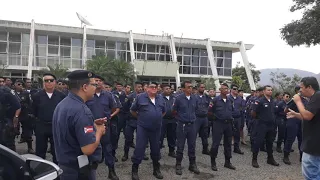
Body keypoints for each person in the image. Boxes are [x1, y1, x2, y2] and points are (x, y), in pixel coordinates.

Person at [52, 70, 106, 180]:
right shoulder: (81, 110)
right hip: (79, 170)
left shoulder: (63, 104)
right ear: (85, 87)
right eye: (94, 84)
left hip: (65, 166)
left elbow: (71, 128)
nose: (95, 87)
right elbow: (88, 149)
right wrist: (99, 131)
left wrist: (92, 124)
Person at [86, 76, 120, 180]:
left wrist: (108, 116)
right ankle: (88, 171)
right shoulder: (88, 94)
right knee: (88, 147)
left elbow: (114, 108)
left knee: (108, 148)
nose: (98, 82)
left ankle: (111, 170)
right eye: (96, 81)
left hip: (104, 126)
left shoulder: (108, 95)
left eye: (100, 81)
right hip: (89, 126)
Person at [286, 77, 320, 179]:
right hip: (314, 144)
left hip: (313, 146)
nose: (300, 90)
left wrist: (298, 101)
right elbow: (310, 116)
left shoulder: (317, 96)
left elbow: (307, 116)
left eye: (301, 87)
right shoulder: (315, 98)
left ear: (309, 87)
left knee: (311, 175)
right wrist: (296, 114)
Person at [130, 82, 165, 180]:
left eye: (155, 87)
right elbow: (132, 110)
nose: (154, 88)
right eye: (152, 87)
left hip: (156, 128)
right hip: (143, 128)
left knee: (156, 149)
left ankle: (156, 169)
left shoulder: (160, 98)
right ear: (147, 89)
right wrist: (141, 118)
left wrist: (156, 118)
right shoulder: (140, 97)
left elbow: (164, 111)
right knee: (139, 149)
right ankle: (134, 170)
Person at [32, 73, 66, 164]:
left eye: (51, 80)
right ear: (43, 83)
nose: (49, 83)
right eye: (46, 81)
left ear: (55, 82)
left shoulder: (61, 96)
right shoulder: (37, 96)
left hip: (55, 126)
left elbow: (64, 112)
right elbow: (33, 112)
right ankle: (40, 171)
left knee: (56, 151)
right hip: (41, 126)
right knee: (40, 150)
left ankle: (57, 172)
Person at [172, 81, 200, 175]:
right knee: (180, 146)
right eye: (188, 87)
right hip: (182, 125)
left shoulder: (194, 98)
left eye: (191, 87)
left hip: (192, 125)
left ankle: (192, 164)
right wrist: (180, 119)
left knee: (192, 146)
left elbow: (195, 109)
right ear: (183, 89)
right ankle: (178, 164)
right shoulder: (178, 98)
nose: (190, 89)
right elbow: (174, 111)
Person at [209, 83, 236, 171]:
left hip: (228, 124)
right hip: (218, 124)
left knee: (228, 144)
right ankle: (213, 162)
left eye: (227, 88)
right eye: (223, 88)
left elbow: (232, 110)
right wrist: (215, 119)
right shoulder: (215, 100)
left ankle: (227, 162)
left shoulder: (230, 100)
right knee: (215, 144)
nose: (226, 90)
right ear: (220, 90)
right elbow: (209, 112)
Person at [251, 85, 279, 168]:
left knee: (270, 142)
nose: (270, 91)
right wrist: (260, 119)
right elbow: (253, 113)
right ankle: (254, 159)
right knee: (258, 142)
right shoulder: (259, 101)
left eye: (271, 90)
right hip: (261, 125)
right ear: (264, 91)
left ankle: (270, 159)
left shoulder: (273, 101)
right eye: (268, 90)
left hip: (271, 125)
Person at [14, 79, 35, 153]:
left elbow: (30, 104)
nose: (19, 86)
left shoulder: (26, 93)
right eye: (18, 84)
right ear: (15, 85)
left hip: (24, 114)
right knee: (13, 131)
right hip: (15, 114)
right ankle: (12, 148)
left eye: (21, 84)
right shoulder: (12, 93)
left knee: (28, 131)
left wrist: (30, 113)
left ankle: (30, 147)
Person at [0, 85, 21, 151]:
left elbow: (18, 107)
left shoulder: (6, 91)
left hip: (6, 121)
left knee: (8, 145)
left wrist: (14, 125)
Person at [159, 84, 177, 157]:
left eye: (169, 88)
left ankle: (171, 151)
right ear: (163, 90)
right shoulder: (159, 97)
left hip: (172, 119)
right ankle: (157, 151)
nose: (168, 90)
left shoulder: (174, 98)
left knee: (172, 136)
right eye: (166, 89)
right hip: (162, 119)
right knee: (160, 136)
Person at [195, 83, 210, 155]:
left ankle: (205, 149)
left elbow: (209, 105)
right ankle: (192, 149)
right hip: (196, 118)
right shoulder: (194, 97)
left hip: (204, 118)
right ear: (198, 88)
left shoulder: (206, 97)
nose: (203, 89)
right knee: (193, 134)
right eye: (201, 87)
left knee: (205, 135)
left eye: (204, 87)